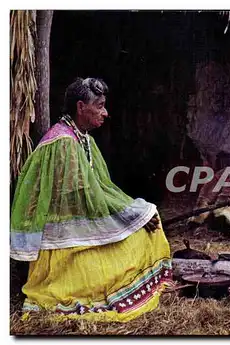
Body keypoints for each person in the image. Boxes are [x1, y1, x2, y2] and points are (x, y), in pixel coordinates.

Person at [10, 77, 173, 322]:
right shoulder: (63, 142)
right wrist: (134, 214)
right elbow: (86, 196)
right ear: (80, 107)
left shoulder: (82, 138)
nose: (105, 112)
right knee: (145, 222)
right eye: (99, 105)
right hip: (63, 237)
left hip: (78, 222)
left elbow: (102, 187)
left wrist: (137, 212)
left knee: (149, 216)